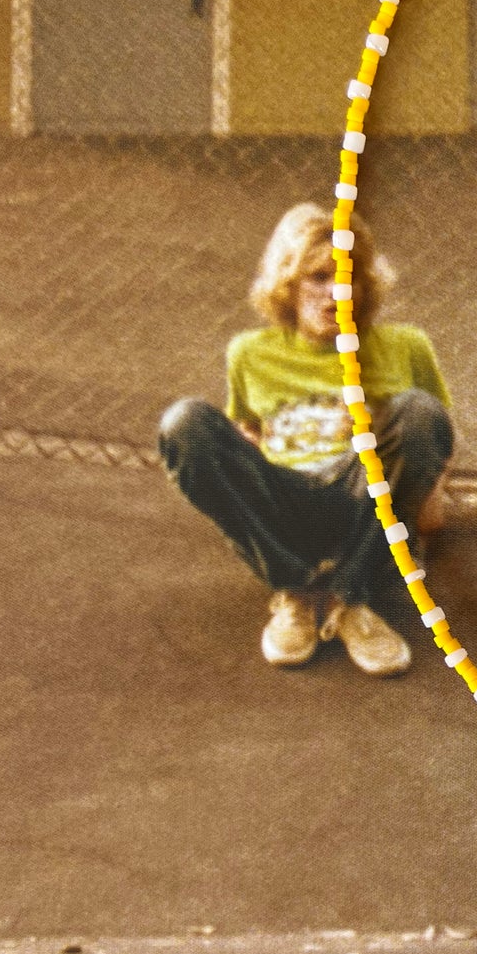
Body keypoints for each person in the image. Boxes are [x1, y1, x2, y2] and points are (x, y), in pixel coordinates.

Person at [157, 203, 453, 676]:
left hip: (365, 505)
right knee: (184, 424)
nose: (336, 293)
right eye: (318, 277)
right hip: (286, 505)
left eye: (348, 277)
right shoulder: (249, 354)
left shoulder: (405, 345)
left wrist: (428, 502)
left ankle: (348, 596)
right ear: (288, 284)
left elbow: (432, 441)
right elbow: (246, 436)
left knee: (419, 410)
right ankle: (294, 590)